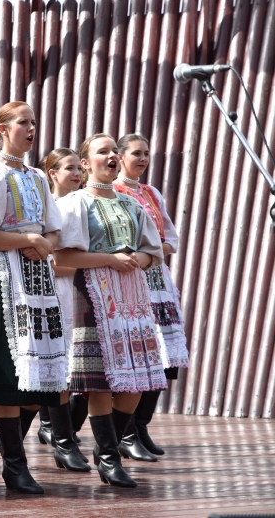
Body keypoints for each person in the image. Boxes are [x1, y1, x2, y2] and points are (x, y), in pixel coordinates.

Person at [0, 102, 70, 494]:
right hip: (2, 276)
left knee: (38, 381)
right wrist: (30, 240)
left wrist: (42, 243)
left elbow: (53, 230)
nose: (31, 127)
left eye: (34, 122)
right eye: (24, 122)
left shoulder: (38, 176)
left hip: (38, 275)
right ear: (2, 129)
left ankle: (10, 449)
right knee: (8, 369)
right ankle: (15, 466)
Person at [55, 133, 167, 488]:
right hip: (93, 292)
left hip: (133, 296)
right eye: (103, 152)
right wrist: (111, 260)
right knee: (101, 382)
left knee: (138, 380)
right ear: (86, 164)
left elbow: (155, 251)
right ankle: (107, 458)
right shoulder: (75, 203)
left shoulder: (132, 203)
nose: (112, 156)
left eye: (114, 151)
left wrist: (139, 258)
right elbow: (63, 256)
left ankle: (110, 447)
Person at [114, 133, 189, 460]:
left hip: (158, 278)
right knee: (140, 351)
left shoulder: (151, 193)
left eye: (146, 153)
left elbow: (170, 238)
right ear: (119, 155)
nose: (142, 159)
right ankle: (125, 431)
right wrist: (152, 251)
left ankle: (141, 425)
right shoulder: (112, 191)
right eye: (136, 153)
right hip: (131, 277)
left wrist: (156, 251)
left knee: (163, 356)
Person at [25, 148, 92, 473]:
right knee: (51, 367)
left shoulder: (76, 203)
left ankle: (60, 435)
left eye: (80, 168)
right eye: (69, 168)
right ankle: (54, 437)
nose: (77, 174)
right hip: (50, 291)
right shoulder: (53, 206)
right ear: (51, 173)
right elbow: (62, 260)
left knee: (66, 370)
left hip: (71, 291)